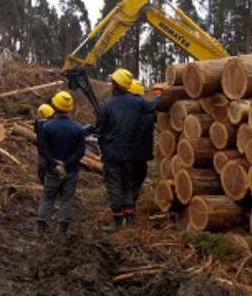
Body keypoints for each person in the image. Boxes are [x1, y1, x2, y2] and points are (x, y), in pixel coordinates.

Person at [97, 69, 158, 231]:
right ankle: (130, 219)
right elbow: (155, 105)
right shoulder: (138, 103)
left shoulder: (107, 106)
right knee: (127, 184)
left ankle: (117, 221)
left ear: (115, 85)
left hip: (112, 153)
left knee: (114, 185)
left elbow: (100, 132)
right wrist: (161, 95)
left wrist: (103, 150)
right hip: (130, 154)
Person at [35, 91, 85, 235]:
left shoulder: (47, 127)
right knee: (67, 199)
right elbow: (80, 151)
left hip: (52, 170)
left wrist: (54, 163)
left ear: (55, 106)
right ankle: (63, 228)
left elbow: (42, 149)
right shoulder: (78, 128)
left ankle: (41, 226)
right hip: (71, 170)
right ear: (70, 108)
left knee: (48, 197)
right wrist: (67, 163)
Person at [129, 80, 159, 204]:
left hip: (127, 152)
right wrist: (159, 95)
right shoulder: (149, 110)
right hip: (143, 154)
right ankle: (131, 204)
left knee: (125, 181)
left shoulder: (128, 110)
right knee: (137, 180)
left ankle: (126, 209)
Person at [34, 103, 55, 184]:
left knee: (43, 164)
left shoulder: (38, 122)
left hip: (42, 147)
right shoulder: (48, 124)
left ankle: (43, 180)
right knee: (46, 165)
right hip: (48, 147)